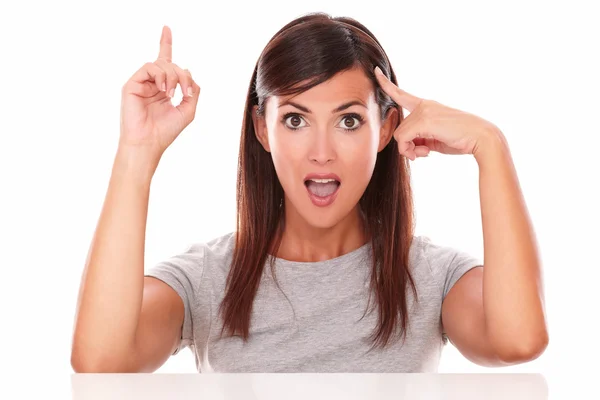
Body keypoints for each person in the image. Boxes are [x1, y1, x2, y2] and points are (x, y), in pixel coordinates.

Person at [70, 12, 548, 373]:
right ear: (262, 128)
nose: (322, 152)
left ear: (385, 130)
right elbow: (100, 360)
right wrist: (136, 154)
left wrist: (491, 146)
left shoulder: (428, 275)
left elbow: (519, 340)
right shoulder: (209, 278)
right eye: (295, 120)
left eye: (348, 120)